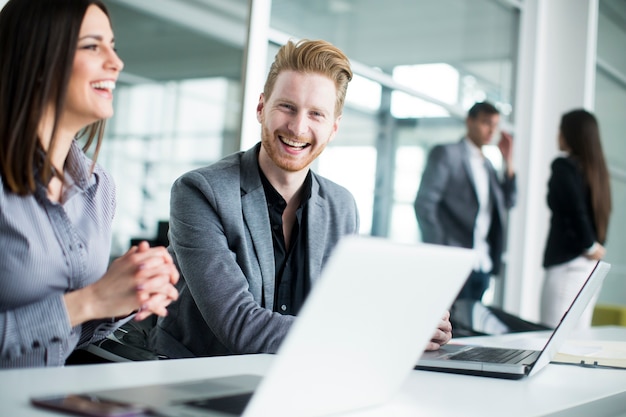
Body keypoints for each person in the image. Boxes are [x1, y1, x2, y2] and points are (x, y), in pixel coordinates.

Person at [150, 39, 452, 358]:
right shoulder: (199, 192)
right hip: (197, 377)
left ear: (333, 128)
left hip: (297, 373)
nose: (298, 127)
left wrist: (412, 318)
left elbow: (342, 307)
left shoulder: (341, 206)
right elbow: (239, 325)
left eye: (316, 114)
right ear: (261, 108)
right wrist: (383, 332)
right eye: (287, 107)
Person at [0, 0, 179, 368]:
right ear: (37, 58)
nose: (116, 62)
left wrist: (123, 298)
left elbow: (67, 336)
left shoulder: (99, 188)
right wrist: (91, 300)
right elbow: (77, 308)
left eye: (113, 46)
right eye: (93, 46)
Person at [414, 101, 517, 304]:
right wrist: (441, 251)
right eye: (486, 122)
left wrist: (508, 161)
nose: (491, 130)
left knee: (471, 330)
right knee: (447, 329)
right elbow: (424, 205)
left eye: (495, 125)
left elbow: (508, 201)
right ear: (470, 122)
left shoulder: (488, 165)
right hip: (453, 261)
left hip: (482, 264)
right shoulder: (447, 153)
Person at [541, 109, 611, 329]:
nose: (558, 135)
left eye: (560, 130)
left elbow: (575, 210)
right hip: (588, 268)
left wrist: (588, 244)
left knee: (551, 339)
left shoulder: (563, 167)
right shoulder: (597, 172)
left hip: (568, 266)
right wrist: (592, 245)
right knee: (577, 341)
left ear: (570, 134)